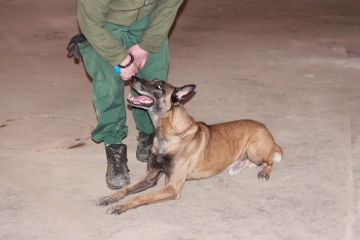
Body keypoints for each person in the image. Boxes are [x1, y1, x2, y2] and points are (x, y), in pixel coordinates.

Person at [70, 0, 184, 190]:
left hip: (149, 20)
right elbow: (90, 21)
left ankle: (148, 134)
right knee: (107, 86)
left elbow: (168, 5)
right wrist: (120, 59)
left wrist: (147, 44)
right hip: (106, 23)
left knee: (153, 82)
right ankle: (113, 145)